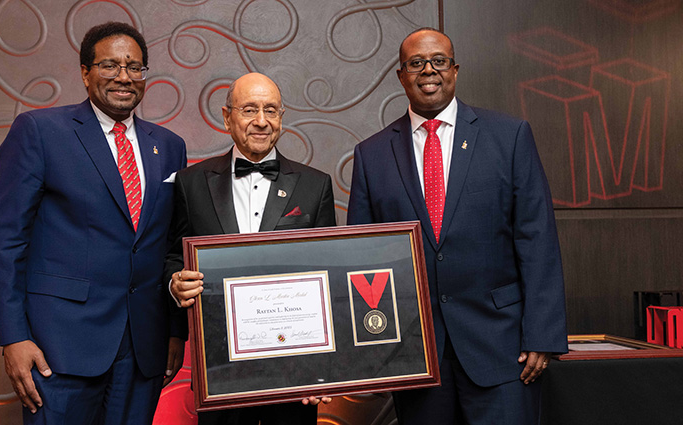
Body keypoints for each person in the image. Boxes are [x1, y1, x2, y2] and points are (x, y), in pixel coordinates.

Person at [346, 28, 568, 425]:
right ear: (401, 75)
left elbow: (537, 239)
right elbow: (363, 261)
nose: (428, 70)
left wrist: (542, 334)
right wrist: (371, 350)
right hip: (416, 355)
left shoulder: (509, 136)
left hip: (503, 348)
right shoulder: (371, 154)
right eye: (416, 63)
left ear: (455, 70)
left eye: (439, 61)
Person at [0, 21, 187, 424]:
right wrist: (13, 336)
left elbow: (172, 246)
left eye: (134, 67)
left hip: (142, 347)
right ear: (85, 72)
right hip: (59, 346)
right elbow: (6, 240)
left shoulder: (169, 146)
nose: (123, 77)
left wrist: (174, 331)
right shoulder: (41, 131)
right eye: (109, 65)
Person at [165, 72, 335, 425]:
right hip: (219, 368)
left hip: (294, 370)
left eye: (270, 110)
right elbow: (173, 256)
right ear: (227, 117)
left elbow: (328, 279)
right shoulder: (190, 183)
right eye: (249, 109)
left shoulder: (315, 186)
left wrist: (323, 367)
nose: (261, 121)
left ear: (281, 117)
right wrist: (174, 283)